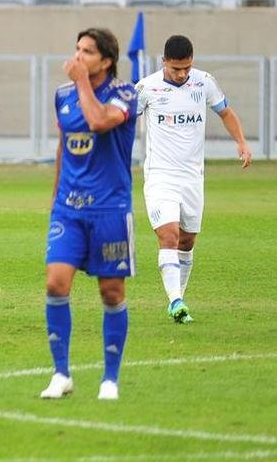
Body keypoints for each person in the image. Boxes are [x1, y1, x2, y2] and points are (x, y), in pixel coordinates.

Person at [41, 28, 138, 402]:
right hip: (69, 209)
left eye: (87, 52)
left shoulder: (125, 95)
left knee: (111, 292)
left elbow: (98, 121)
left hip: (110, 210)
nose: (78, 56)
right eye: (76, 49)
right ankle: (61, 374)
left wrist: (83, 83)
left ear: (107, 61)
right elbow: (64, 148)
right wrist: (54, 199)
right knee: (55, 283)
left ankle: (110, 379)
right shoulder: (62, 96)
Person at [135, 35, 252, 324]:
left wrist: (241, 142)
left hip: (192, 178)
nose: (182, 74)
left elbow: (225, 112)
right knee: (169, 235)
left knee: (186, 241)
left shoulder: (204, 82)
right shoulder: (146, 88)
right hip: (160, 175)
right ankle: (175, 300)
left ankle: (179, 299)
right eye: (176, 69)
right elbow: (122, 121)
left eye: (187, 67)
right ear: (163, 62)